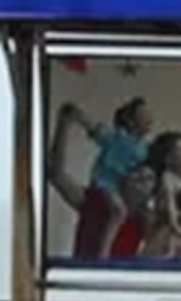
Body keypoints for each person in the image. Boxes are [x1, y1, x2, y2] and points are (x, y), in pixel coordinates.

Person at [60, 99, 155, 258]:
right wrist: (78, 116)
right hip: (105, 184)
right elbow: (95, 128)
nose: (150, 119)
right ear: (130, 121)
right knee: (119, 211)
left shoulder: (145, 148)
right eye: (144, 115)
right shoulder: (117, 138)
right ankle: (103, 254)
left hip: (121, 187)